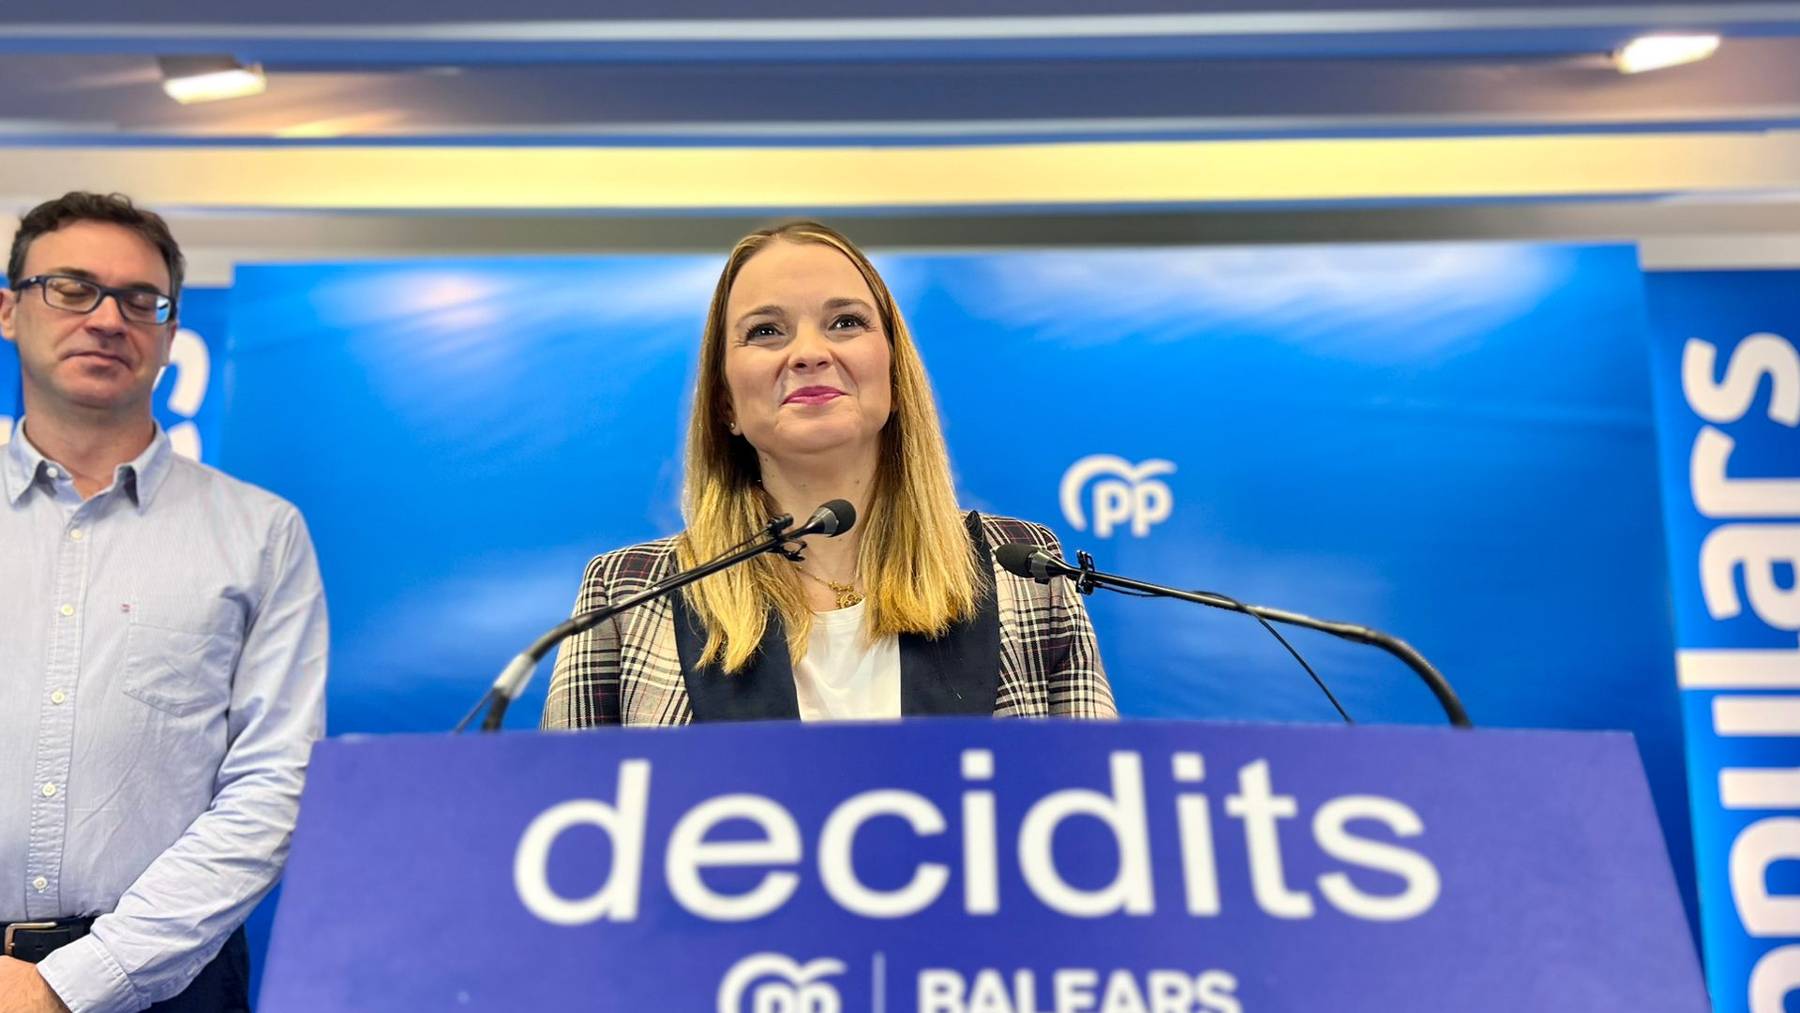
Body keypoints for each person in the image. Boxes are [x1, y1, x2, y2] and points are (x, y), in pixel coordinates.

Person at [542, 221, 1113, 727]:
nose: (809, 352)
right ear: (725, 404)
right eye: (766, 331)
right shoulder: (627, 594)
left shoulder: (1023, 568)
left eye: (845, 322)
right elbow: (565, 828)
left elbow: (1099, 820)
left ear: (893, 370)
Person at [0, 193, 328, 1012]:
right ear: (9, 310)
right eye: (71, 287)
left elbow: (273, 785)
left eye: (141, 300)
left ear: (170, 331)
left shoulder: (260, 532)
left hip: (170, 982)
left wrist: (73, 981)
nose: (108, 318)